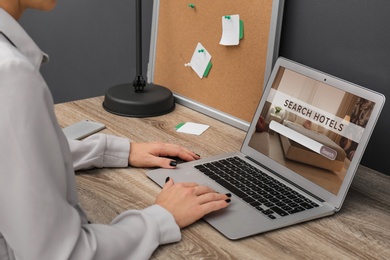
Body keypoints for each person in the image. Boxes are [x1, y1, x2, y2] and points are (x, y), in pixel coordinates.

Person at [0, 1, 230, 259]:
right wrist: (161, 218)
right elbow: (61, 254)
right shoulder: (10, 74)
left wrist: (116, 150)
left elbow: (14, 156)